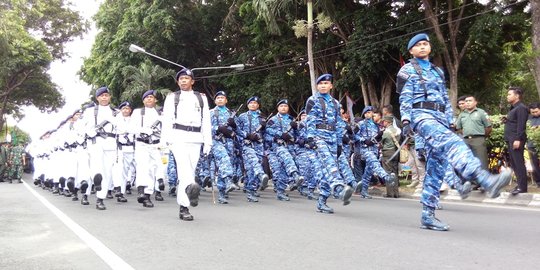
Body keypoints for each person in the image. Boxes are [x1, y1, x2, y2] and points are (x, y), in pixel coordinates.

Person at [396, 33, 512, 231]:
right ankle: (485, 180)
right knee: (454, 144)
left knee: (436, 168)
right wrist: (406, 120)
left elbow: (444, 97)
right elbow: (405, 98)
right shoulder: (407, 70)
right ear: (411, 51)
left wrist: (450, 121)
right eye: (418, 45)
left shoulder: (437, 71)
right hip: (421, 116)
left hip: (440, 118)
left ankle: (428, 215)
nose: (423, 47)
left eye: (426, 44)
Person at [161, 68, 212, 221]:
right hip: (178, 137)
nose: (183, 81)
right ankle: (188, 196)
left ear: (192, 81)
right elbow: (167, 120)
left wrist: (208, 141)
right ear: (178, 82)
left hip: (196, 138)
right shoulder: (172, 97)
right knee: (184, 168)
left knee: (190, 169)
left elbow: (206, 121)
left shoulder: (201, 98)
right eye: (180, 79)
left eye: (186, 78)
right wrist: (164, 142)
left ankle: (185, 205)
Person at [305, 74, 354, 213]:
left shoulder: (335, 103)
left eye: (326, 83)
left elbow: (339, 124)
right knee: (329, 164)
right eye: (320, 84)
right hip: (318, 136)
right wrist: (310, 137)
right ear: (317, 86)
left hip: (332, 138)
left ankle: (322, 201)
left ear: (331, 86)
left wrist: (339, 143)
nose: (323, 86)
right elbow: (310, 120)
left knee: (327, 169)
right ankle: (339, 188)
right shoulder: (312, 100)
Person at [81, 86, 118, 210]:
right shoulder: (90, 111)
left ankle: (100, 199)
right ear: (97, 98)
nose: (104, 97)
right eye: (102, 96)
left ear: (109, 97)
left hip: (110, 143)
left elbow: (122, 128)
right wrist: (89, 133)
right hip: (95, 141)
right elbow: (82, 126)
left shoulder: (115, 112)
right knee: (96, 167)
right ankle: (93, 185)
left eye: (106, 95)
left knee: (107, 171)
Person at [131, 90, 165, 208]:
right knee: (142, 167)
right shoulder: (137, 112)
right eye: (147, 97)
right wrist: (144, 130)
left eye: (151, 97)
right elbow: (132, 128)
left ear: (155, 100)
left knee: (152, 169)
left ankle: (148, 195)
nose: (149, 99)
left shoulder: (160, 114)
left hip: (155, 144)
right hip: (142, 143)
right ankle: (141, 190)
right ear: (143, 100)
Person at [265, 99, 304, 201]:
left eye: (285, 106)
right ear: (278, 108)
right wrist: (280, 134)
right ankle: (295, 175)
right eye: (281, 106)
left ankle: (280, 191)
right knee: (287, 160)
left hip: (290, 146)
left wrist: (296, 128)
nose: (283, 108)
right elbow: (267, 131)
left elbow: (298, 136)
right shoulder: (273, 120)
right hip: (278, 146)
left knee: (283, 170)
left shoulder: (292, 119)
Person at [236, 96, 270, 202]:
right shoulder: (242, 116)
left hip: (258, 145)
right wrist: (246, 135)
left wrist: (264, 128)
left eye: (255, 103)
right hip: (246, 145)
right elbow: (237, 130)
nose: (253, 105)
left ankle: (252, 188)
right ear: (247, 105)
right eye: (251, 103)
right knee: (252, 165)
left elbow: (266, 134)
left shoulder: (262, 117)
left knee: (256, 166)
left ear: (258, 105)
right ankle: (257, 182)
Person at [208, 90, 237, 204]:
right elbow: (206, 127)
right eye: (218, 98)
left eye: (222, 98)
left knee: (223, 166)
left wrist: (233, 126)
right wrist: (218, 128)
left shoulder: (231, 113)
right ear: (215, 101)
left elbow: (238, 130)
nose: (220, 99)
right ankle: (229, 181)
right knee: (224, 159)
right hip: (216, 141)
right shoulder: (211, 113)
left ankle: (222, 193)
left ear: (226, 100)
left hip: (229, 142)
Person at [504, 87, 529, 195]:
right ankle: (519, 185)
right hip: (511, 139)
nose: (507, 96)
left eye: (509, 94)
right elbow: (514, 122)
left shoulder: (521, 108)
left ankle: (522, 187)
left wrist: (518, 139)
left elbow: (521, 125)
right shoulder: (513, 108)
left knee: (518, 163)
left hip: (516, 139)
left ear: (517, 96)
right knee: (514, 163)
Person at [456, 95, 492, 170]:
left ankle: (484, 180)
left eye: (470, 101)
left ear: (475, 102)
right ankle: (470, 181)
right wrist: (466, 133)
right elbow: (458, 128)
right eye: (466, 101)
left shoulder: (481, 112)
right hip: (466, 140)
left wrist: (482, 136)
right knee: (467, 162)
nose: (468, 103)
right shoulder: (462, 114)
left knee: (482, 162)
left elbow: (488, 127)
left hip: (478, 140)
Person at [527, 102, 540, 188]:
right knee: (534, 164)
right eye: (533, 112)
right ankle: (538, 182)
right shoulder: (528, 118)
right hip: (531, 145)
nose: (535, 113)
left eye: (536, 111)